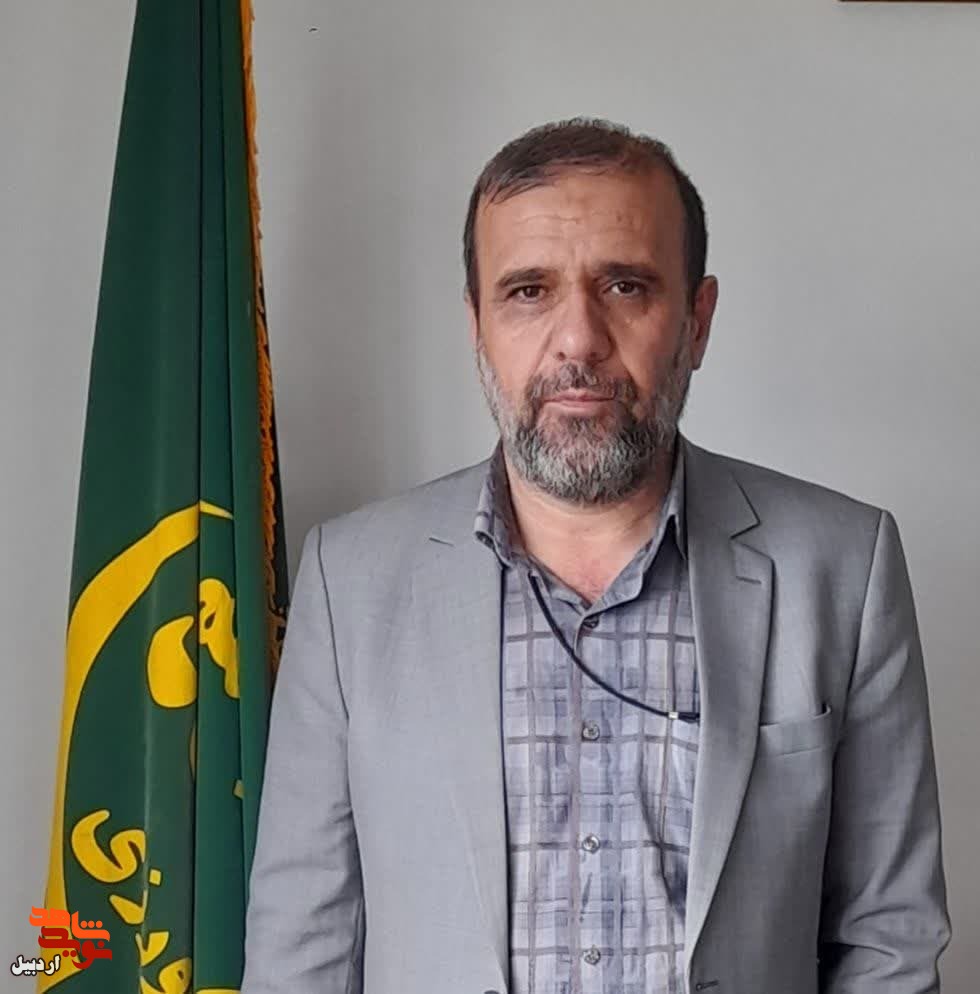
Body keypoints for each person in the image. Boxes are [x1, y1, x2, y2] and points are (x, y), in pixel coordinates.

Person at [240, 117, 951, 994]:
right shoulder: (348, 584)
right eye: (527, 291)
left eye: (624, 285)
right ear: (477, 325)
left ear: (696, 320)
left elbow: (889, 939)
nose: (577, 339)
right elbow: (301, 948)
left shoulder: (842, 568)